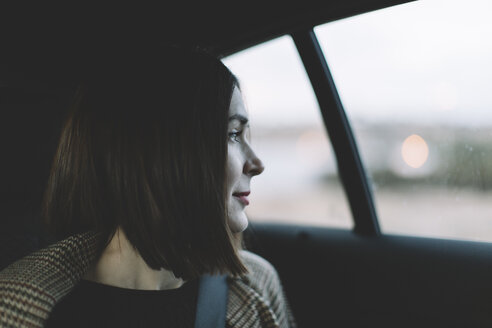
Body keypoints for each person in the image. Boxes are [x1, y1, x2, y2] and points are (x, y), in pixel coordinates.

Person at [0, 46, 296, 328]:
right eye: (234, 134)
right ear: (162, 152)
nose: (257, 163)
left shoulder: (256, 282)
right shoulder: (16, 306)